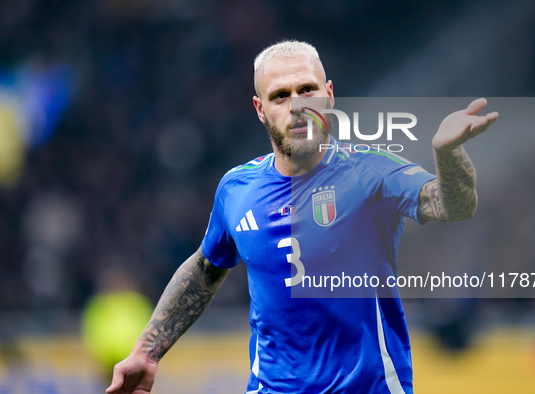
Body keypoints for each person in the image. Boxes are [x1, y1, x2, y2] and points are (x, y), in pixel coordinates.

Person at [106, 40, 498, 394]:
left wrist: (449, 157)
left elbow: (452, 205)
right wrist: (147, 350)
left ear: (328, 95)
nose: (296, 105)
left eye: (306, 89)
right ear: (260, 109)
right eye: (280, 95)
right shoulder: (236, 189)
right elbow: (206, 267)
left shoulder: (372, 173)